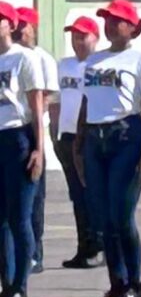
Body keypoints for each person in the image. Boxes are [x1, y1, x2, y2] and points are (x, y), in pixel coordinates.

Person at [74, 0, 141, 297]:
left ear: (133, 27)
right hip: (96, 137)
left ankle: (134, 285)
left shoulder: (139, 61)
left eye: (118, 20)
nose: (111, 24)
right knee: (104, 217)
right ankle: (116, 285)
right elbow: (86, 104)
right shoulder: (94, 61)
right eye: (107, 19)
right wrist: (79, 144)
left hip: (126, 133)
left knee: (122, 215)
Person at [0, 5, 44, 297]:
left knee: (19, 217)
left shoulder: (24, 58)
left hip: (19, 137)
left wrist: (39, 149)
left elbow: (36, 106)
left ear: (10, 24)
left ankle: (20, 287)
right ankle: (5, 286)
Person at [50, 14, 98, 271]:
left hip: (89, 136)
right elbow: (55, 101)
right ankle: (84, 246)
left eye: (83, 36)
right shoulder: (64, 65)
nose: (78, 41)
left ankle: (98, 245)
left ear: (95, 38)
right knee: (77, 195)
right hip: (67, 136)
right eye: (74, 36)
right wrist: (54, 133)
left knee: (92, 193)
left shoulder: (98, 65)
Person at [9, 6, 54, 274]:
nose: (19, 30)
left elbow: (47, 96)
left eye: (23, 25)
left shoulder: (40, 59)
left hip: (34, 132)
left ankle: (35, 251)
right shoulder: (11, 57)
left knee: (35, 198)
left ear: (32, 28)